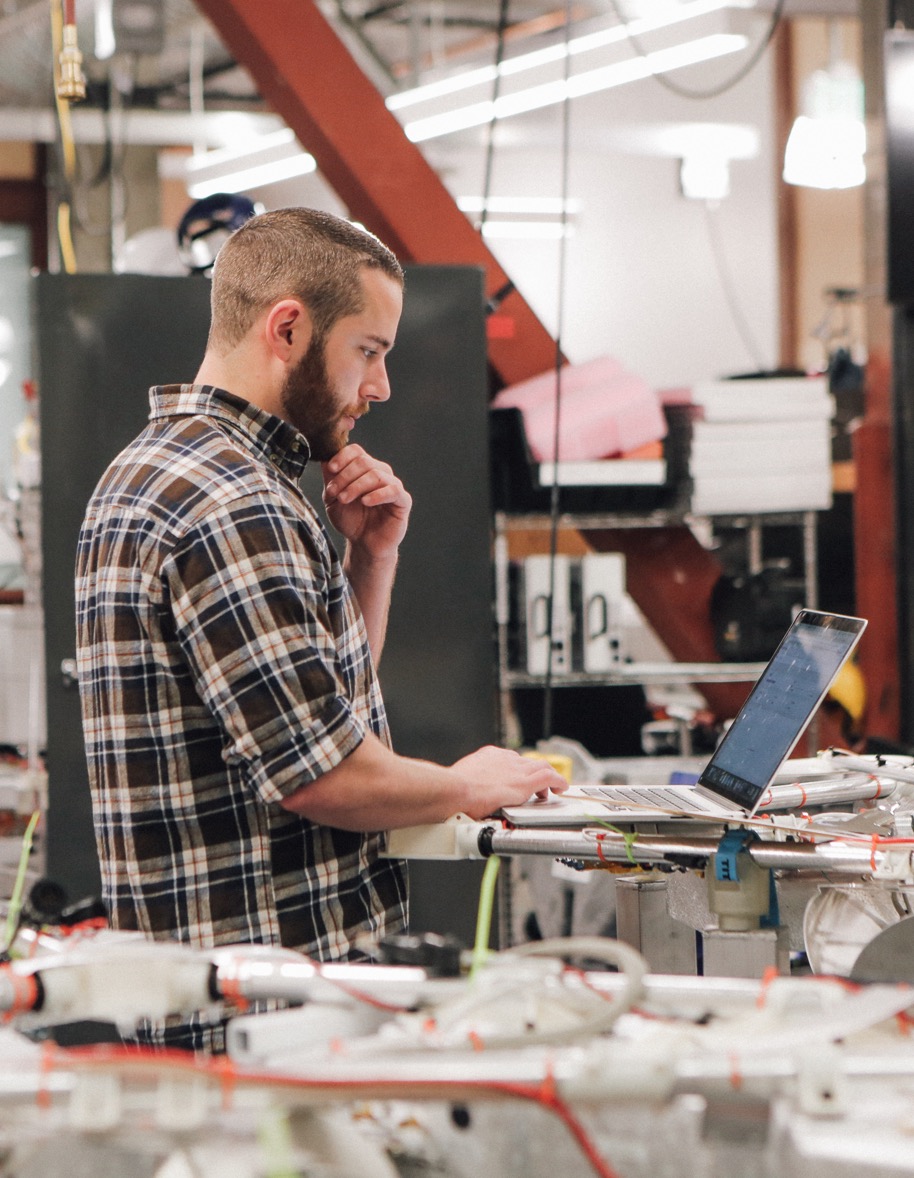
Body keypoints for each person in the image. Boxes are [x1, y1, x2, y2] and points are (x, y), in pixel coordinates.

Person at [75, 208, 566, 1045]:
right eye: (368, 352)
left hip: (224, 1002)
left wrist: (370, 561)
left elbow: (311, 719)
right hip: (269, 1015)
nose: (379, 388)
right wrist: (467, 784)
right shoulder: (233, 501)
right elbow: (321, 778)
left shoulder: (158, 468)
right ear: (290, 328)